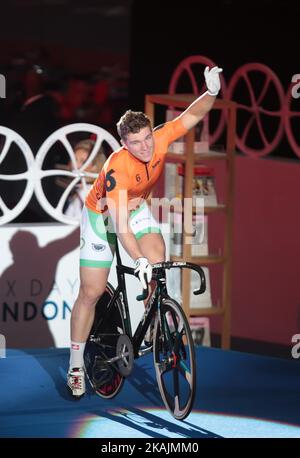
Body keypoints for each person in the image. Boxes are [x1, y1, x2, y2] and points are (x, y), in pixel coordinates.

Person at [67, 66, 223, 397]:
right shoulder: (119, 168)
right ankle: (76, 365)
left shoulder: (159, 138)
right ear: (123, 143)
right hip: (102, 218)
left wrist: (210, 93)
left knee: (158, 260)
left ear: (153, 132)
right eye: (135, 143)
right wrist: (135, 259)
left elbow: (190, 117)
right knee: (91, 292)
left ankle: (157, 321)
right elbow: (120, 227)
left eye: (147, 138)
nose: (145, 147)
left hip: (135, 208)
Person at [55, 139, 107, 218]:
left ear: (95, 166)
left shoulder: (89, 191)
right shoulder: (81, 189)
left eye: (83, 161)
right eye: (74, 159)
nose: (76, 165)